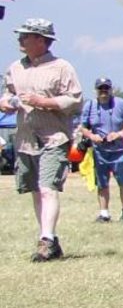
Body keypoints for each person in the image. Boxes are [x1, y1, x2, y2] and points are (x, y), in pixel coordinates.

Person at [1, 18, 82, 261]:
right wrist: (6, 102)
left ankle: (45, 240)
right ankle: (49, 237)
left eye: (25, 36)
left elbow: (75, 101)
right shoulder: (16, 67)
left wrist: (44, 102)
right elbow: (8, 94)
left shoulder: (62, 67)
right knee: (36, 190)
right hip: (25, 138)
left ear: (41, 40)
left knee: (48, 188)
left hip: (54, 138)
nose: (20, 39)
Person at [78, 77, 123, 223]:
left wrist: (119, 134)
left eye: (106, 88)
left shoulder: (121, 104)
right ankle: (104, 213)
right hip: (99, 151)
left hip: (119, 150)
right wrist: (92, 136)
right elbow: (83, 127)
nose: (103, 91)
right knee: (102, 183)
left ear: (111, 89)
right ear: (96, 91)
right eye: (100, 89)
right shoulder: (90, 105)